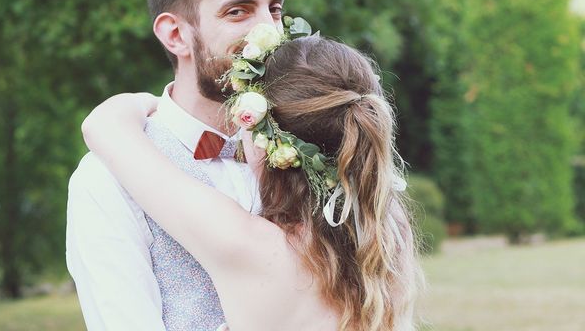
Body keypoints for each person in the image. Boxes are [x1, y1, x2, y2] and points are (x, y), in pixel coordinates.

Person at [81, 27, 422, 331]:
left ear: (266, 142)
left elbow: (103, 127)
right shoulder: (391, 232)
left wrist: (147, 101)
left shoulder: (250, 245)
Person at [66, 0, 285, 330]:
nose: (269, 31)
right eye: (238, 11)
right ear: (175, 35)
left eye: (274, 9)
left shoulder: (308, 147)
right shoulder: (105, 181)